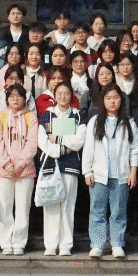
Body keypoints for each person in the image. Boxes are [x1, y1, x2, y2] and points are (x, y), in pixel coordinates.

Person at [82, 83, 138, 258]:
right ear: (103, 101)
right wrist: (87, 171)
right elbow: (88, 148)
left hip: (121, 175)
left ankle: (117, 244)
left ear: (121, 100)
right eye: (108, 98)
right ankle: (97, 244)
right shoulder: (95, 121)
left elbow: (134, 149)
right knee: (97, 210)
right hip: (99, 175)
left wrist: (133, 172)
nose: (112, 101)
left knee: (118, 211)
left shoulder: (129, 123)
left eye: (115, 98)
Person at [37, 80, 85, 256]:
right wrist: (62, 150)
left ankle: (66, 245)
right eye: (59, 94)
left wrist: (57, 139)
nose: (63, 97)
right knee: (50, 205)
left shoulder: (78, 115)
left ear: (71, 95)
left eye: (66, 93)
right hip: (50, 164)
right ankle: (50, 245)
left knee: (67, 207)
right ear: (54, 96)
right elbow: (43, 141)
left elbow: (78, 141)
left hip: (70, 166)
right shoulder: (46, 115)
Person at [0, 83, 40, 255]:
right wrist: (6, 164)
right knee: (4, 208)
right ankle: (6, 242)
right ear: (6, 99)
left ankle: (19, 242)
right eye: (11, 96)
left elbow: (32, 143)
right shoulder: (0, 116)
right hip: (4, 171)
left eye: (19, 96)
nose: (15, 99)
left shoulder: (30, 117)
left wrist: (20, 163)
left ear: (25, 99)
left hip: (25, 171)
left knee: (23, 208)